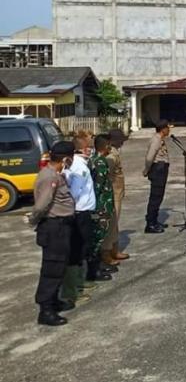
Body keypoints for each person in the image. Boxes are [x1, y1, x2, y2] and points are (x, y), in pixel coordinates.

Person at [29, 140, 76, 326]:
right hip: (54, 227)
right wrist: (33, 221)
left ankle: (54, 301)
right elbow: (41, 205)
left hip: (61, 227)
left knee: (59, 266)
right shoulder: (50, 177)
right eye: (71, 157)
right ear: (65, 159)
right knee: (52, 268)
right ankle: (46, 310)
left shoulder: (56, 174)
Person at [64, 133, 111, 303]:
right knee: (78, 251)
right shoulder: (80, 168)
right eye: (88, 147)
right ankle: (75, 288)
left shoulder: (80, 164)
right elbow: (74, 193)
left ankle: (80, 282)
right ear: (82, 149)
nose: (91, 150)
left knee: (82, 249)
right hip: (80, 213)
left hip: (83, 212)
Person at [89, 135, 115, 274]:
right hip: (101, 206)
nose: (110, 148)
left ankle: (98, 264)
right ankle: (95, 268)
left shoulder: (96, 160)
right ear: (105, 147)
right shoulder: (99, 162)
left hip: (103, 204)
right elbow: (97, 186)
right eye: (109, 145)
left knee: (99, 237)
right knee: (98, 237)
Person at [103, 129, 129, 263]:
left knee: (115, 225)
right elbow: (107, 175)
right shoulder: (111, 156)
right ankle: (106, 253)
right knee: (111, 225)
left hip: (117, 192)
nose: (122, 143)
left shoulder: (114, 152)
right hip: (112, 193)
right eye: (121, 140)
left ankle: (114, 250)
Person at [143, 120, 171, 234]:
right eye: (168, 128)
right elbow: (150, 157)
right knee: (155, 197)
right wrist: (146, 170)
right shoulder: (156, 140)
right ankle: (150, 224)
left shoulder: (160, 139)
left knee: (159, 196)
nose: (169, 130)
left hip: (161, 169)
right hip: (157, 170)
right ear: (163, 129)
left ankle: (154, 220)